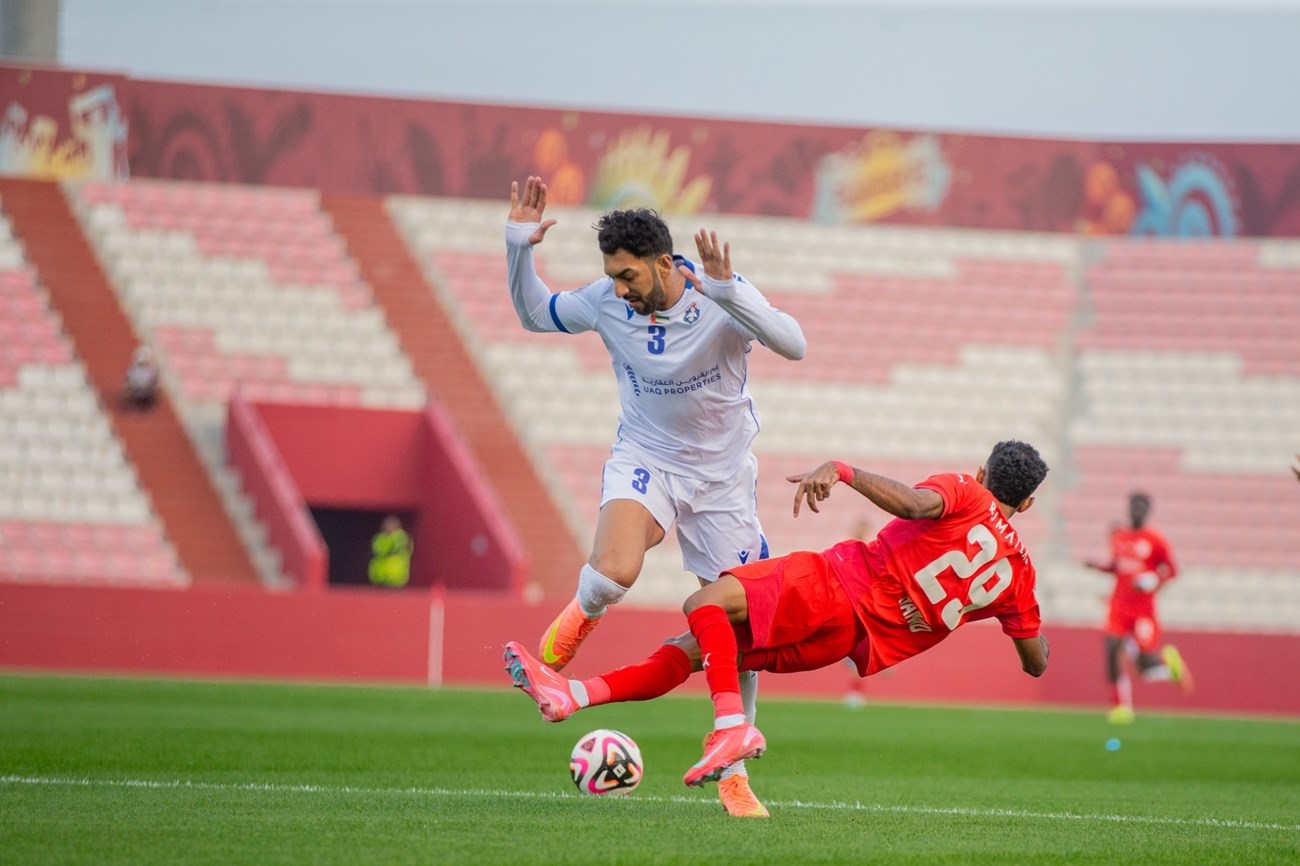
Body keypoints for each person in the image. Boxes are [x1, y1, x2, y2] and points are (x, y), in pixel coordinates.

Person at [505, 440, 1051, 811]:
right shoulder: (1018, 576)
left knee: (704, 602)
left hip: (836, 585)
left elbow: (913, 504)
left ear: (982, 474)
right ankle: (570, 694)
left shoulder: (967, 491)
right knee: (693, 648)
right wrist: (1015, 607)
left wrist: (843, 470)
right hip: (847, 640)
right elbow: (1035, 662)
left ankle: (730, 727)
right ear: (1026, 501)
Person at [506, 176, 806, 817]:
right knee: (614, 573)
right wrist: (516, 246)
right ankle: (564, 641)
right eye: (611, 276)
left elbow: (794, 343)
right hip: (646, 457)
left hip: (723, 481)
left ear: (664, 263)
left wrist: (731, 294)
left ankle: (734, 775)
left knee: (738, 624)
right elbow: (535, 313)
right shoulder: (608, 303)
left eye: (627, 276)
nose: (618, 289)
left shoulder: (720, 293)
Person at [1084, 492, 1192, 724]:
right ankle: (1120, 707)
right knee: (1112, 649)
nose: (1137, 510)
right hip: (1119, 607)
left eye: (1142, 507)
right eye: (1134, 505)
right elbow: (1118, 568)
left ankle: (1171, 669)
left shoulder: (1156, 540)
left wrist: (1153, 580)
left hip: (1143, 611)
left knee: (1145, 664)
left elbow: (1172, 571)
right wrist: (1098, 567)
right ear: (1129, 507)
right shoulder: (1120, 537)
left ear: (1148, 511)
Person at [369, 514, 413, 588]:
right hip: (380, 578)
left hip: (397, 578)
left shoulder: (402, 539)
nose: (389, 528)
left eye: (392, 525)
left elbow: (404, 550)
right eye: (387, 525)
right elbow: (377, 551)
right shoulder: (380, 539)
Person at [122, 345, 159, 410]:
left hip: (147, 393)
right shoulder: (132, 369)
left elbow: (154, 384)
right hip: (135, 392)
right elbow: (128, 381)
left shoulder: (152, 370)